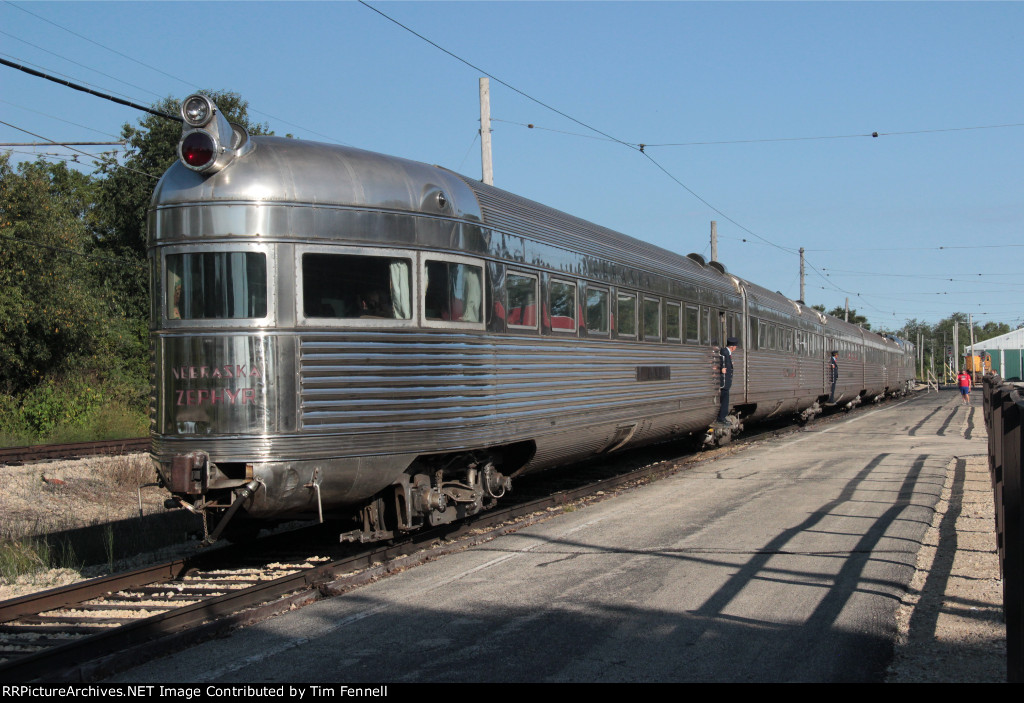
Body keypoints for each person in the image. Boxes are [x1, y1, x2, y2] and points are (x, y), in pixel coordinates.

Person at [714, 337, 740, 428]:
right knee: (725, 400)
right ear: (732, 347)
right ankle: (722, 418)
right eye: (736, 346)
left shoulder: (727, 353)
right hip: (724, 382)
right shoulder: (724, 352)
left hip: (726, 381)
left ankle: (722, 417)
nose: (736, 348)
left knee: (725, 400)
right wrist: (721, 369)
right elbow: (720, 361)